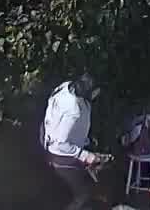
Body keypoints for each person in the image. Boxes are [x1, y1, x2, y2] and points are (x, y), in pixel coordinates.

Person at [41, 75, 113, 210]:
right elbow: (61, 143)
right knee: (84, 193)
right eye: (96, 92)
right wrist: (85, 155)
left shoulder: (66, 87)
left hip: (50, 143)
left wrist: (86, 141)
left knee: (91, 182)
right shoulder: (74, 110)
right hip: (61, 156)